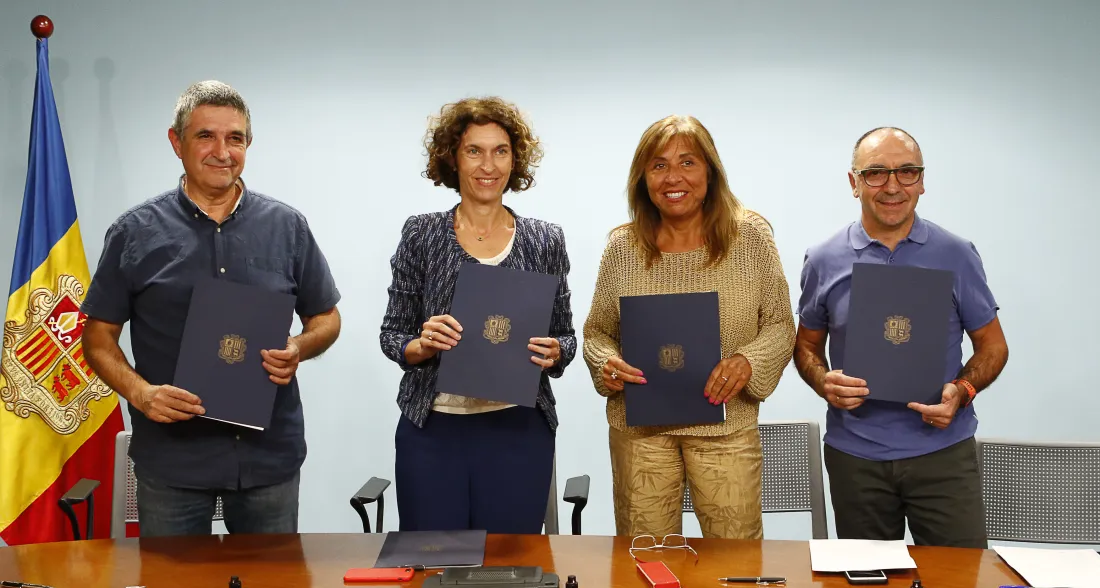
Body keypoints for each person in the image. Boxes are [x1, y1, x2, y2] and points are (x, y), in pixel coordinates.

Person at [81, 80, 341, 536]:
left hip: (267, 457)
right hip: (173, 459)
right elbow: (98, 340)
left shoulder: (287, 227)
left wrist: (298, 346)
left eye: (235, 138)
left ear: (247, 145)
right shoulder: (133, 232)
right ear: (176, 142)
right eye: (206, 136)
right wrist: (141, 394)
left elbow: (327, 318)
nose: (222, 151)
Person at [794, 126, 1009, 549]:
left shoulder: (956, 253)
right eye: (876, 173)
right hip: (855, 457)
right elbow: (805, 346)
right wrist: (823, 382)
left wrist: (963, 390)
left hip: (943, 454)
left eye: (907, 171)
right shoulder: (823, 259)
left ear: (922, 181)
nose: (893, 186)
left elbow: (993, 346)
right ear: (854, 183)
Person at [583, 115, 795, 539]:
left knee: (737, 567)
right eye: (658, 165)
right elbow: (596, 332)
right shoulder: (621, 248)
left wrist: (748, 362)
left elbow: (779, 324)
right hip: (640, 434)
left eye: (687, 162)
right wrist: (606, 362)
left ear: (710, 171)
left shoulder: (750, 237)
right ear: (642, 178)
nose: (672, 177)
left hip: (726, 430)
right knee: (646, 562)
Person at [379, 97, 575, 534]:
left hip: (518, 430)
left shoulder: (545, 240)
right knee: (433, 572)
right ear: (453, 158)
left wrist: (554, 351)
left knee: (510, 571)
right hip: (433, 430)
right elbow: (392, 335)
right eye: (475, 150)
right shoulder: (422, 233)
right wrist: (421, 344)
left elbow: (566, 337)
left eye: (500, 151)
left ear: (514, 160)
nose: (489, 164)